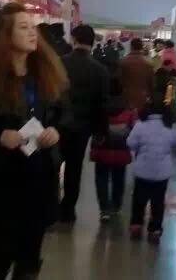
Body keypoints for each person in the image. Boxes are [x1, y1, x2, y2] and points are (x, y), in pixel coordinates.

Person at [0, 3, 69, 280]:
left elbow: (62, 112)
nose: (33, 33)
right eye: (24, 27)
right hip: (1, 177)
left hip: (40, 174)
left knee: (30, 257)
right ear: (5, 36)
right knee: (0, 254)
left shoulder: (46, 73)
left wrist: (55, 130)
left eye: (33, 28)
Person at [59, 24, 110, 224]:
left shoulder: (60, 63)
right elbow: (102, 104)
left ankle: (50, 207)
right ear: (93, 42)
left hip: (58, 124)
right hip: (83, 127)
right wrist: (101, 131)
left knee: (53, 165)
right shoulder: (100, 70)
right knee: (74, 168)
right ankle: (68, 209)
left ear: (74, 39)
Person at [127, 97, 176, 244]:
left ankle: (136, 225)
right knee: (158, 201)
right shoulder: (170, 125)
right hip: (162, 172)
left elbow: (130, 143)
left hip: (142, 170)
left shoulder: (140, 125)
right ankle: (155, 229)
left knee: (139, 199)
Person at [90, 78, 137, 222]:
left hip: (101, 149)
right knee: (119, 179)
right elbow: (134, 128)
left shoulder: (99, 106)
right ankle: (116, 206)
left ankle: (104, 209)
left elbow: (93, 125)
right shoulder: (128, 107)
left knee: (101, 179)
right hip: (121, 150)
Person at [117, 38, 155, 110]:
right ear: (141, 47)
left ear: (131, 47)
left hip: (126, 97)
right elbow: (152, 84)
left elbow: (119, 80)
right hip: (142, 98)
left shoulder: (123, 62)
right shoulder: (148, 64)